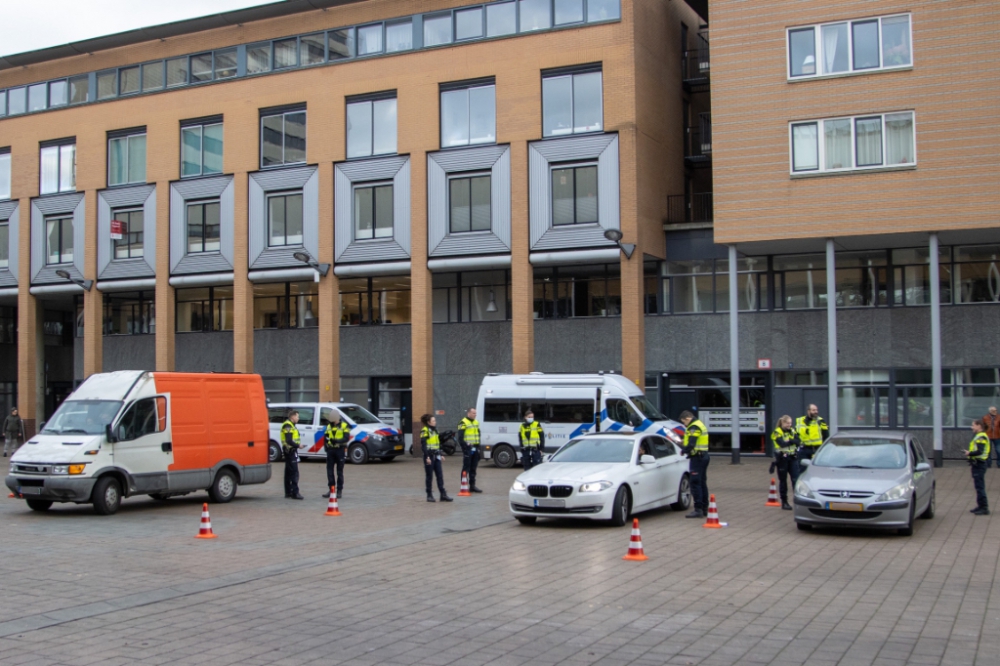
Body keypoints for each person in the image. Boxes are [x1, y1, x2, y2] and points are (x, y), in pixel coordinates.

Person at [679, 410, 710, 519]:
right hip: (703, 456)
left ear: (687, 418)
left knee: (695, 483)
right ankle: (705, 508)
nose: (684, 425)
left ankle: (698, 509)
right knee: (702, 482)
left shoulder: (693, 427)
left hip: (698, 458)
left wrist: (684, 450)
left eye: (684, 422)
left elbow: (692, 443)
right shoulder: (699, 424)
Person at [770, 415, 801, 510]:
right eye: (787, 423)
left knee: (795, 480)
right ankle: (784, 502)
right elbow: (782, 444)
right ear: (783, 423)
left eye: (790, 423)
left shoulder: (792, 430)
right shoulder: (777, 432)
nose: (789, 425)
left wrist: (790, 440)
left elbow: (798, 441)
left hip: (793, 458)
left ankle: (797, 502)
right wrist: (792, 442)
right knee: (783, 481)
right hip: (782, 459)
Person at [420, 414, 452, 503]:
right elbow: (424, 446)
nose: (435, 422)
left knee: (440, 476)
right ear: (428, 422)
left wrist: (441, 454)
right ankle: (429, 495)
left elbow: (438, 444)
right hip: (429, 456)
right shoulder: (424, 431)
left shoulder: (435, 431)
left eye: (435, 420)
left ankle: (443, 495)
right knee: (429, 476)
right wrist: (427, 457)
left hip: (436, 456)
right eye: (433, 421)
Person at [322, 412, 350, 499]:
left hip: (339, 450)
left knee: (339, 472)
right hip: (331, 450)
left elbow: (346, 438)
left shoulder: (344, 425)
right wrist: (326, 446)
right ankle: (331, 489)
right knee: (329, 471)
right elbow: (325, 437)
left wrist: (336, 441)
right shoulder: (329, 426)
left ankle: (339, 491)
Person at [966, 419, 990, 515]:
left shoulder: (981, 437)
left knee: (980, 487)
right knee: (978, 486)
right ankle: (980, 505)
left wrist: (969, 453)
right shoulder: (978, 436)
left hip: (979, 464)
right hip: (977, 463)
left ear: (979, 426)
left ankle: (984, 508)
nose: (972, 427)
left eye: (973, 425)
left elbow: (980, 451)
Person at [457, 407, 483, 493]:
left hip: (475, 448)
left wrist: (478, 447)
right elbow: (460, 437)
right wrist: (465, 448)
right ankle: (464, 485)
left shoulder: (476, 422)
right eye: (473, 413)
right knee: (466, 468)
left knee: (473, 468)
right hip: (468, 449)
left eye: (475, 413)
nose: (475, 415)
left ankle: (472, 486)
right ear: (468, 413)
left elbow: (478, 435)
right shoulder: (463, 422)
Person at [281, 411, 304, 500]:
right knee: (294, 472)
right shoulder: (288, 426)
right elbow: (289, 440)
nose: (298, 418)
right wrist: (298, 446)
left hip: (289, 451)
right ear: (292, 417)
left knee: (288, 472)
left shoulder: (290, 425)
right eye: (297, 416)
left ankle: (288, 492)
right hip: (290, 451)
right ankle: (295, 492)